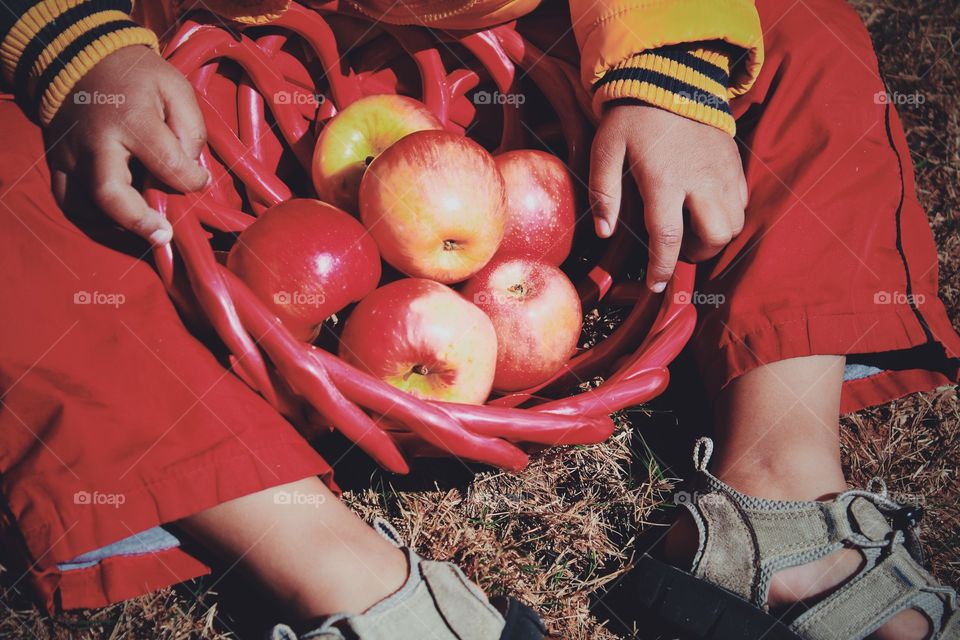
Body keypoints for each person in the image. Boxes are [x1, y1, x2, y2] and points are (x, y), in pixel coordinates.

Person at [0, 0, 957, 638]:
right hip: (215, 91)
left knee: (796, 25)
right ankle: (337, 571)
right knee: (14, 175)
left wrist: (672, 70)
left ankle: (780, 502)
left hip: (541, 64)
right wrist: (78, 42)